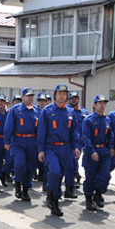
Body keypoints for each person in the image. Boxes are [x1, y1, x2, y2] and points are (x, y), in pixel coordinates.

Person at [38, 84, 80, 216]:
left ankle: (55, 203)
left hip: (65, 148)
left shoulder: (70, 111)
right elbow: (41, 131)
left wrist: (76, 147)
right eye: (59, 93)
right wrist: (41, 150)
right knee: (55, 172)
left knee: (60, 175)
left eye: (64, 93)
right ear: (54, 95)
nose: (62, 96)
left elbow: (74, 131)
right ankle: (50, 194)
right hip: (51, 148)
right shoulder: (47, 111)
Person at [4, 87, 39, 201]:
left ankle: (25, 190)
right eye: (28, 96)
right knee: (20, 164)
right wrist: (7, 141)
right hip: (18, 141)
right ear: (23, 96)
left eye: (31, 96)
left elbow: (40, 129)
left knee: (30, 167)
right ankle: (18, 183)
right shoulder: (15, 110)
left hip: (32, 141)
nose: (30, 98)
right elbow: (9, 126)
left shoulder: (37, 111)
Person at [82, 95, 114, 211]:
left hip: (104, 151)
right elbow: (86, 137)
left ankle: (98, 194)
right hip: (92, 151)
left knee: (106, 176)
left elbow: (110, 135)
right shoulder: (88, 120)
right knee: (90, 177)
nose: (102, 105)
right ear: (94, 105)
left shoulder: (107, 119)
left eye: (104, 103)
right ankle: (88, 199)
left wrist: (111, 147)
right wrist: (91, 151)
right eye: (99, 103)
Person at [65, 91, 88, 198]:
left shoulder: (84, 112)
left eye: (76, 98)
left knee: (74, 162)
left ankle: (72, 183)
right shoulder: (66, 111)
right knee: (71, 164)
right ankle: (69, 186)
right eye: (72, 98)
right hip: (69, 142)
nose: (74, 100)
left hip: (81, 141)